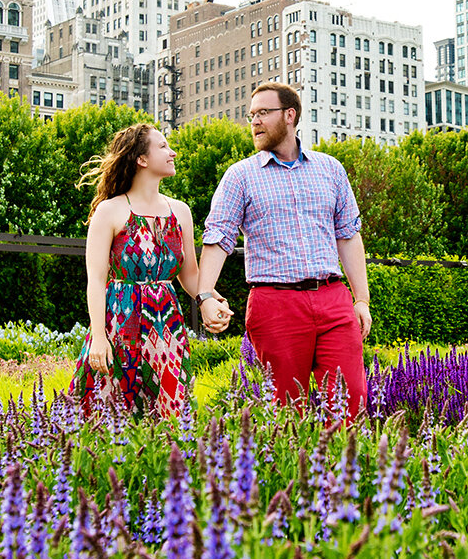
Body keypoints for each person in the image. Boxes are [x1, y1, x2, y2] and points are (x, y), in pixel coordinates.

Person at [195, 81, 372, 416]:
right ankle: (297, 468)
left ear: (290, 115)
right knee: (288, 412)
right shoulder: (240, 177)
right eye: (251, 116)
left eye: (264, 112)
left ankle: (345, 468)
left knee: (350, 403)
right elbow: (218, 237)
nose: (255, 122)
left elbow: (348, 234)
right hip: (275, 305)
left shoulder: (330, 169)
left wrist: (360, 299)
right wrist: (205, 295)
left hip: (334, 300)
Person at [69, 122, 227, 417]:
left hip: (166, 329)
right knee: (108, 415)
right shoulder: (110, 210)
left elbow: (189, 275)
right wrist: (99, 337)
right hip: (119, 324)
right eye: (164, 146)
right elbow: (95, 280)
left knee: (170, 415)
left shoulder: (180, 211)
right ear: (141, 159)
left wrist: (209, 299)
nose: (173, 153)